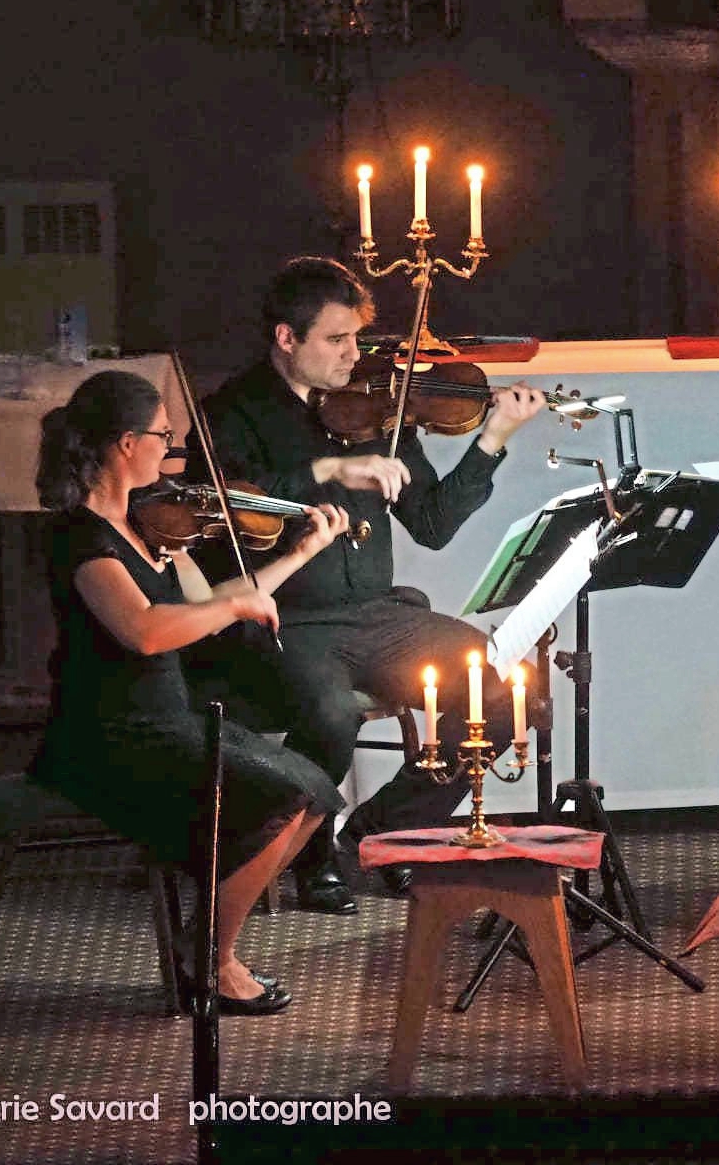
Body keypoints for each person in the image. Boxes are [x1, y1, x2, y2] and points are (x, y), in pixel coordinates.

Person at [190, 256, 546, 914]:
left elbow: (433, 524)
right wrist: (327, 468)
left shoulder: (379, 408)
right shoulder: (229, 414)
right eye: (336, 340)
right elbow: (222, 511)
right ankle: (310, 853)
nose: (356, 355)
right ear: (286, 338)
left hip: (377, 615)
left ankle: (386, 834)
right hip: (283, 619)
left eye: (357, 338)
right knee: (330, 714)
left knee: (509, 689)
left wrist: (490, 439)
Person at [33, 369, 351, 1015]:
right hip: (109, 736)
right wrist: (235, 612)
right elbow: (147, 632)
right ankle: (212, 957)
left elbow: (221, 602)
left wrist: (303, 551)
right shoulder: (82, 539)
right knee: (280, 797)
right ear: (126, 443)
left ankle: (201, 936)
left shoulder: (143, 527)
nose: (171, 447)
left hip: (166, 715)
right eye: (162, 435)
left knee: (317, 792)